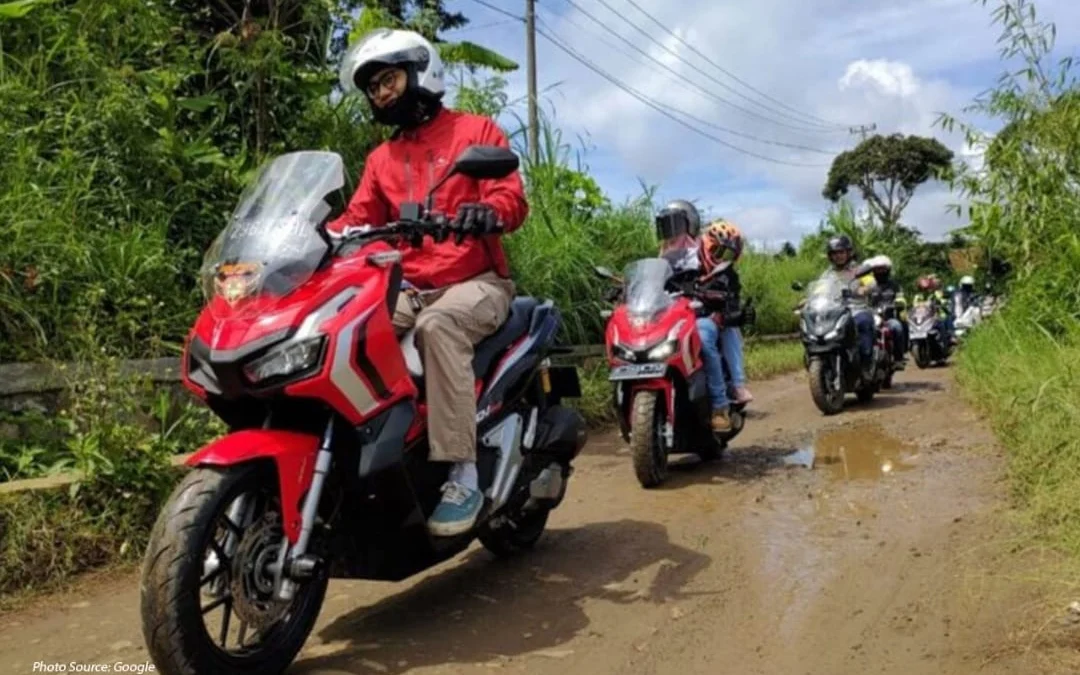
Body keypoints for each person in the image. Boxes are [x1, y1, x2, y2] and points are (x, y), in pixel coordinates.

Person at [327, 28, 529, 537]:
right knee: (340, 329)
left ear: (422, 72)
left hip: (475, 281)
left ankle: (462, 471)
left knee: (438, 327)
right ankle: (371, 453)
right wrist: (315, 240)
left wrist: (488, 212)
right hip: (405, 287)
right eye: (373, 88)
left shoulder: (474, 132)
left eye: (389, 79)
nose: (381, 94)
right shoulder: (381, 160)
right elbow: (357, 221)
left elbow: (511, 197)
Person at [695, 219, 753, 427]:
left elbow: (734, 302)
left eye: (727, 255)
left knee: (704, 336)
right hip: (677, 318)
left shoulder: (729, 276)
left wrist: (730, 314)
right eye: (718, 251)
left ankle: (720, 404)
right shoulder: (687, 263)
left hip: (708, 320)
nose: (721, 259)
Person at [819, 235, 875, 379]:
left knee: (864, 322)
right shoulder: (827, 274)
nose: (838, 256)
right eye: (834, 253)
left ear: (848, 253)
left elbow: (871, 282)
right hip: (834, 311)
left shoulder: (858, 269)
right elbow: (819, 289)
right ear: (830, 256)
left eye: (841, 252)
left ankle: (866, 363)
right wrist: (807, 299)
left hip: (856, 309)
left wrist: (865, 289)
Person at [861, 255, 907, 365]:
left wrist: (899, 303)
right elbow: (862, 298)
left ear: (888, 270)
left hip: (889, 319)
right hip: (873, 319)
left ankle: (898, 358)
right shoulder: (870, 286)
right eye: (877, 269)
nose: (879, 272)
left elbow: (901, 298)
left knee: (898, 327)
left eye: (882, 269)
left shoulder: (895, 285)